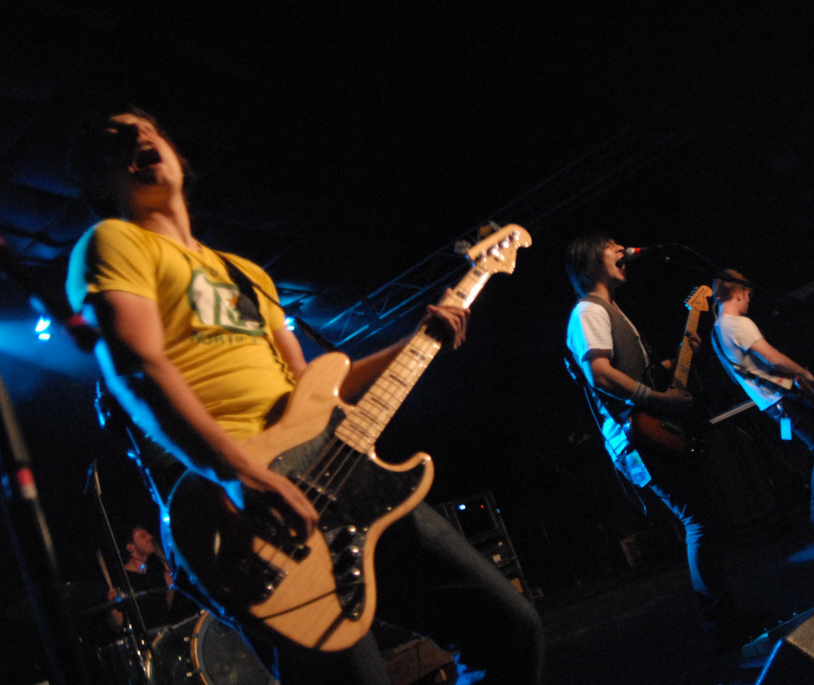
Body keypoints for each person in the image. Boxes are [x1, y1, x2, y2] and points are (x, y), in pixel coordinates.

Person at [66, 106, 543, 684]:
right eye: (116, 137)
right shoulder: (113, 242)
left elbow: (315, 389)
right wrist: (239, 473)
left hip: (335, 475)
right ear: (99, 182)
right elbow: (137, 367)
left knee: (510, 630)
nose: (139, 135)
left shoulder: (245, 274)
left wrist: (420, 338)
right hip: (237, 499)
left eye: (148, 127)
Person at [564, 231, 745, 649]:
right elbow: (600, 374)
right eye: (611, 246)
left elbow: (638, 373)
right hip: (636, 435)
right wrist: (659, 399)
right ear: (590, 260)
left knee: (704, 517)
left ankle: (723, 617)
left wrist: (680, 356)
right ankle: (718, 623)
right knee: (699, 519)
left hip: (649, 427)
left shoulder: (612, 310)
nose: (622, 249)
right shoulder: (588, 311)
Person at [710, 268, 814, 538]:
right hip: (782, 399)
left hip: (770, 403)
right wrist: (805, 373)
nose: (749, 300)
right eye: (748, 294)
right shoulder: (738, 324)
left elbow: (737, 377)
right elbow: (773, 358)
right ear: (740, 292)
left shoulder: (716, 332)